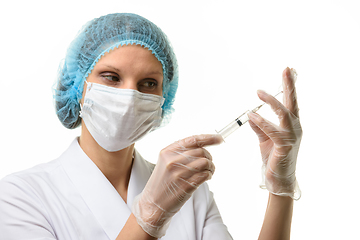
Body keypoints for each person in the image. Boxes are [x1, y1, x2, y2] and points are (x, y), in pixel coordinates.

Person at [0, 13, 302, 240]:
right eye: (111, 77)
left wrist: (281, 189)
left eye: (148, 83)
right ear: (78, 87)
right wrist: (150, 215)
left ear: (162, 99)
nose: (130, 96)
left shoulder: (190, 194)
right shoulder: (20, 196)